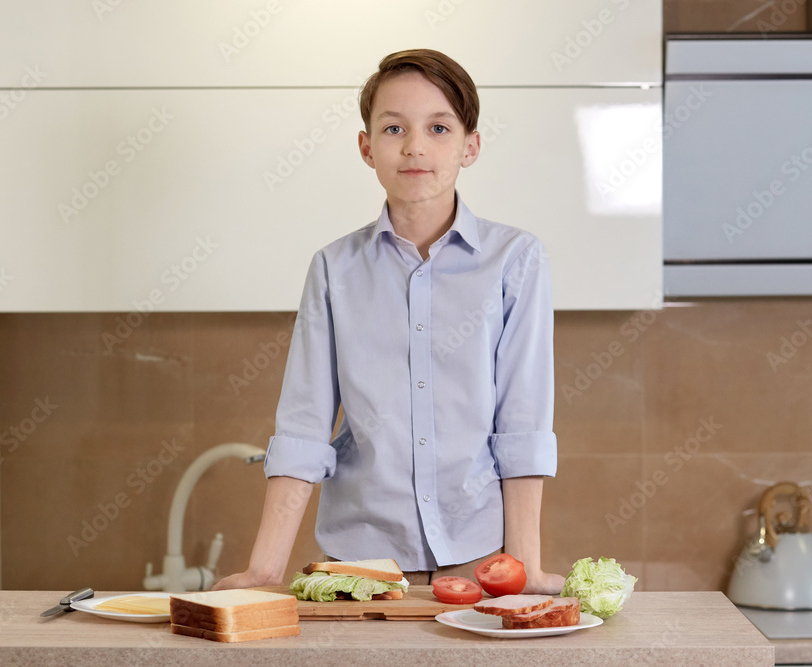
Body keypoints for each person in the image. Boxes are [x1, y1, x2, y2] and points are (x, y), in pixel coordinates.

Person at [214, 49, 563, 594]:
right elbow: (304, 429)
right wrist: (263, 572)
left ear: (470, 146)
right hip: (358, 564)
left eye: (439, 127)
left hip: (478, 561)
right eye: (394, 127)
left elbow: (521, 425)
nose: (415, 147)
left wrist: (524, 569)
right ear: (366, 146)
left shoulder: (516, 259)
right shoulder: (333, 268)